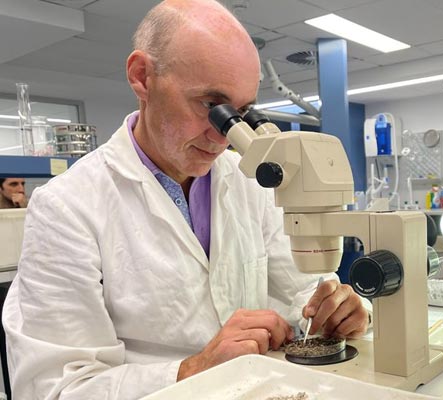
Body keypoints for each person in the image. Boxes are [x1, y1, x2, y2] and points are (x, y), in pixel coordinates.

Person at [2, 0, 370, 398]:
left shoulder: (252, 183)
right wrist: (192, 370)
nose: (223, 135)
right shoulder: (66, 207)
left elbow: (302, 295)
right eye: (212, 107)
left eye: (239, 112)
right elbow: (56, 388)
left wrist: (336, 313)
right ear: (142, 76)